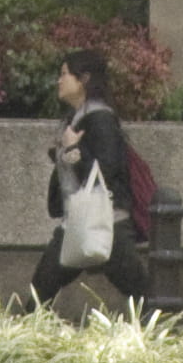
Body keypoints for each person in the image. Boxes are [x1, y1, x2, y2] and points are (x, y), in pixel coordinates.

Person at [30, 50, 149, 312]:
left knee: (142, 294)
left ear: (83, 79)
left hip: (107, 221)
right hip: (77, 221)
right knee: (40, 290)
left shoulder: (101, 119)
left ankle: (162, 340)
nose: (58, 81)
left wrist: (73, 151)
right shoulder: (78, 118)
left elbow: (107, 168)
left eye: (64, 74)